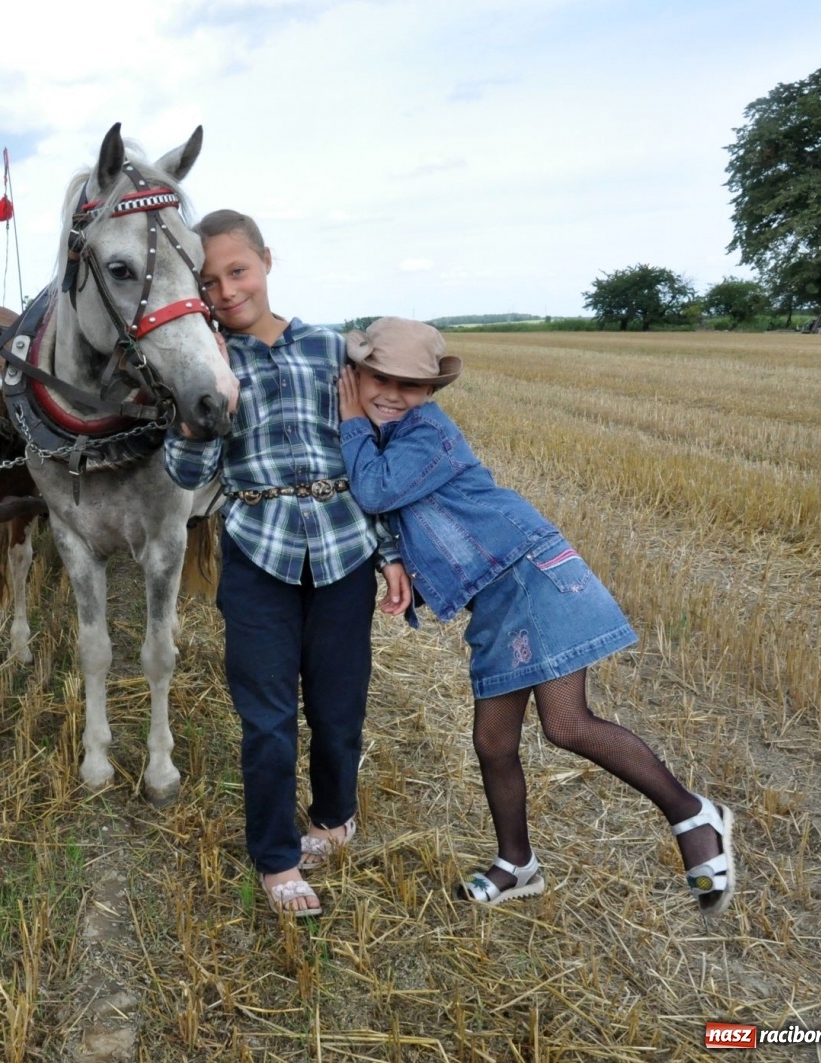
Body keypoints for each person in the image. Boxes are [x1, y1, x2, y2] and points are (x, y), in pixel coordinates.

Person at [335, 317, 735, 913]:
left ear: (431, 394)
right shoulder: (389, 435)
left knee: (566, 725)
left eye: (411, 385)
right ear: (356, 374)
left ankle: (694, 815)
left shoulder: (425, 432)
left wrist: (347, 420)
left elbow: (373, 491)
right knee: (493, 742)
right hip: (495, 595)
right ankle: (517, 864)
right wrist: (407, 577)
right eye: (379, 378)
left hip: (529, 577)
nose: (393, 394)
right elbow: (414, 524)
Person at [163, 209, 411, 918]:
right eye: (209, 282)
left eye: (236, 270)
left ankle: (334, 817)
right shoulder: (209, 363)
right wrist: (203, 409)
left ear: (266, 261)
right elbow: (186, 473)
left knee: (339, 707)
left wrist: (390, 551)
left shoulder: (331, 350)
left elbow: (370, 460)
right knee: (267, 717)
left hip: (341, 551)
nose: (226, 289)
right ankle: (275, 856)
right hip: (258, 555)